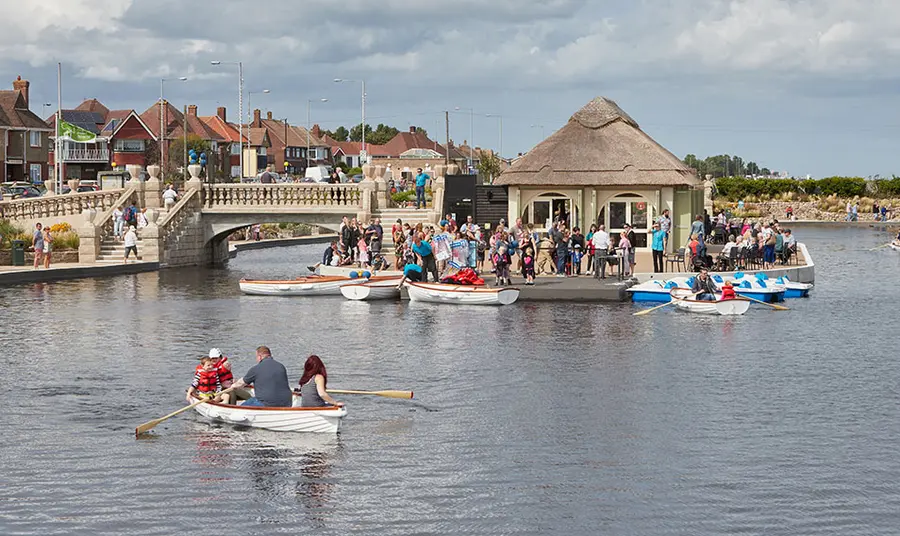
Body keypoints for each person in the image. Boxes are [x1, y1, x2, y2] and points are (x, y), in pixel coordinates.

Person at [227, 346, 292, 407]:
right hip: (287, 402)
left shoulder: (256, 369)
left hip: (267, 403)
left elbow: (240, 384)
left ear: (260, 357)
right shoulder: (281, 366)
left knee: (241, 407)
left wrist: (233, 385)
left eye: (256, 357)